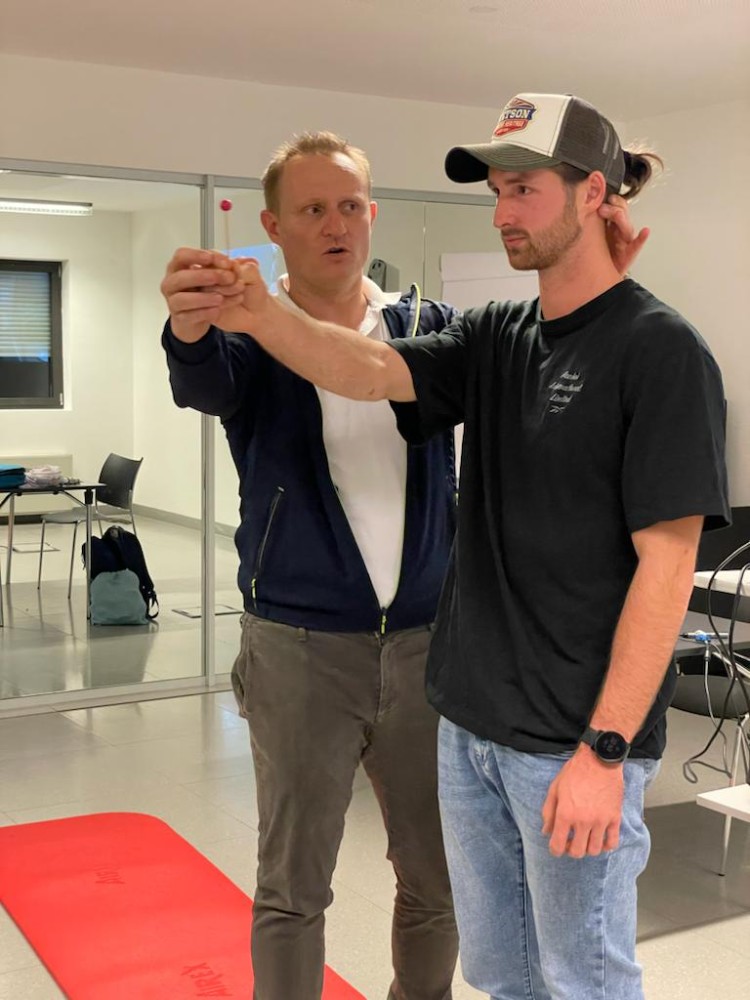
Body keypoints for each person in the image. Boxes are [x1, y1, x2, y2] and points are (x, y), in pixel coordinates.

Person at [186, 95, 730, 1000]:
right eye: (497, 192)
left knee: (582, 979)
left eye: (524, 190)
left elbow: (668, 567)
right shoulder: (498, 335)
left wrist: (605, 751)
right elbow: (368, 369)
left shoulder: (661, 351)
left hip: (571, 740)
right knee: (503, 975)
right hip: (471, 730)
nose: (503, 212)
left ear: (594, 193)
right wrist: (257, 313)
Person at [160, 132, 460, 1000]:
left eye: (351, 205)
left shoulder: (427, 329)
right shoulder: (247, 333)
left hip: (426, 646)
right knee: (294, 888)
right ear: (274, 227)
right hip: (298, 649)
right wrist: (188, 324)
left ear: (372, 213)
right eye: (313, 209)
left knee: (437, 877)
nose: (337, 225)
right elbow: (202, 380)